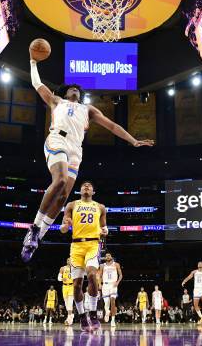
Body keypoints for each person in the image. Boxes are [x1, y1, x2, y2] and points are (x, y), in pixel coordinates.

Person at [21, 53, 154, 262]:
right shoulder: (56, 101)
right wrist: (33, 62)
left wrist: (132, 140)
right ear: (66, 92)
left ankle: (38, 238)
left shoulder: (88, 109)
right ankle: (35, 228)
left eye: (77, 89)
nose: (75, 89)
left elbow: (112, 126)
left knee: (64, 196)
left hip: (76, 149)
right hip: (57, 141)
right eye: (71, 88)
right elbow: (37, 83)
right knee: (61, 180)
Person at [59, 181, 108, 331]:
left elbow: (104, 228)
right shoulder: (72, 205)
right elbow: (63, 228)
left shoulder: (100, 207)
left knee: (92, 275)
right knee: (77, 285)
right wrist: (65, 226)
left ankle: (93, 314)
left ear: (93, 191)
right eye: (84, 185)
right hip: (76, 246)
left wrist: (105, 231)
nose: (86, 186)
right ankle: (82, 317)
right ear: (80, 191)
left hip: (93, 245)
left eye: (89, 186)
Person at [181, 261, 202, 325]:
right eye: (199, 263)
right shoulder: (194, 272)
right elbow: (189, 277)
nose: (200, 264)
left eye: (201, 263)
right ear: (197, 265)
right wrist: (184, 281)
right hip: (196, 290)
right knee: (195, 305)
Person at [99, 252, 122, 327]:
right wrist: (99, 284)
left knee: (113, 301)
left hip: (113, 285)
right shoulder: (102, 266)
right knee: (106, 304)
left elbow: (121, 275)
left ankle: (112, 320)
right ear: (105, 258)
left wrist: (117, 282)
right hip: (105, 285)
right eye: (106, 256)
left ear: (111, 256)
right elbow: (100, 276)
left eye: (109, 255)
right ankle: (107, 312)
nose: (107, 257)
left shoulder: (116, 264)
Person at [58, 258, 75, 325]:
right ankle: (71, 315)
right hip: (64, 286)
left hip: (71, 286)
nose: (69, 261)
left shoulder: (74, 269)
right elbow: (58, 278)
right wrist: (62, 278)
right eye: (68, 260)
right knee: (66, 303)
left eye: (71, 260)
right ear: (66, 261)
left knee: (70, 302)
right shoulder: (62, 268)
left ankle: (69, 318)